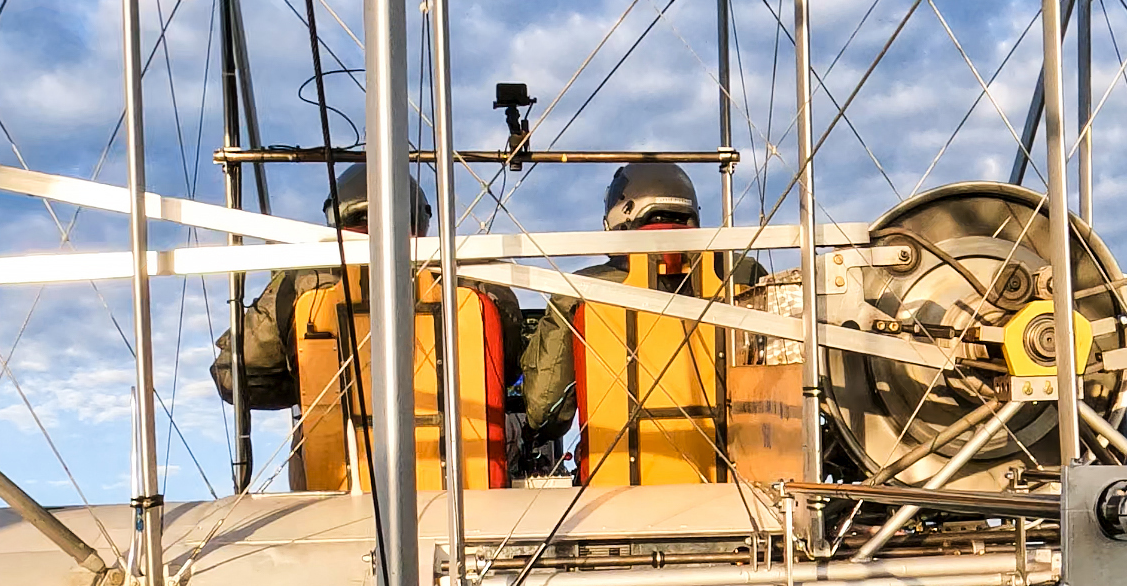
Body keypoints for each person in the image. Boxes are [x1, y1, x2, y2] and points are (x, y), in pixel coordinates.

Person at [214, 166, 524, 490]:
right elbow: (508, 369)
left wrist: (307, 383)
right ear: (419, 216)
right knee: (511, 420)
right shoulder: (476, 275)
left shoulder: (299, 284)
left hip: (336, 481)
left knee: (304, 431)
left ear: (338, 214)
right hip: (465, 481)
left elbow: (233, 377)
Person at [523, 163, 755, 484]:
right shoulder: (747, 278)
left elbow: (545, 408)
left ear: (620, 215)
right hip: (744, 488)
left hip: (614, 492)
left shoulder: (578, 292)